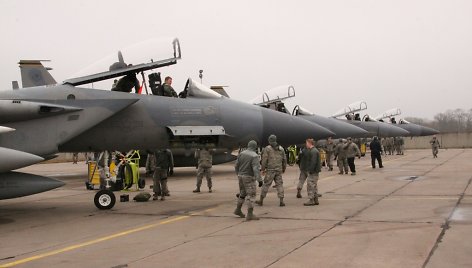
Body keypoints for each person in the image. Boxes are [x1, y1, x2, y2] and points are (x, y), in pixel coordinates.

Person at [234, 140, 263, 221]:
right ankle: (250, 214)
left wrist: (238, 174)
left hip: (241, 176)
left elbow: (236, 165)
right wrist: (259, 180)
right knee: (251, 195)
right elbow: (256, 169)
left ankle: (238, 209)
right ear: (255, 146)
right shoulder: (254, 156)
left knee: (242, 193)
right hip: (249, 177)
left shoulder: (241, 153)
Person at [256, 134, 287, 207]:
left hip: (270, 170)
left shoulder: (267, 149)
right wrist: (284, 168)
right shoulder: (281, 148)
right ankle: (281, 200)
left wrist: (263, 169)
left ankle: (261, 200)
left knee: (266, 185)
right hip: (278, 170)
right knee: (279, 185)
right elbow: (284, 160)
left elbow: (264, 160)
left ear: (270, 140)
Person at [304, 138, 321, 206]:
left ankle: (311, 200)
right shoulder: (314, 150)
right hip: (315, 171)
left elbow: (313, 162)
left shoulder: (313, 151)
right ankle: (316, 199)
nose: (306, 145)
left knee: (310, 185)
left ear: (309, 143)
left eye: (306, 143)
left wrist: (310, 170)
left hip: (313, 172)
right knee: (314, 185)